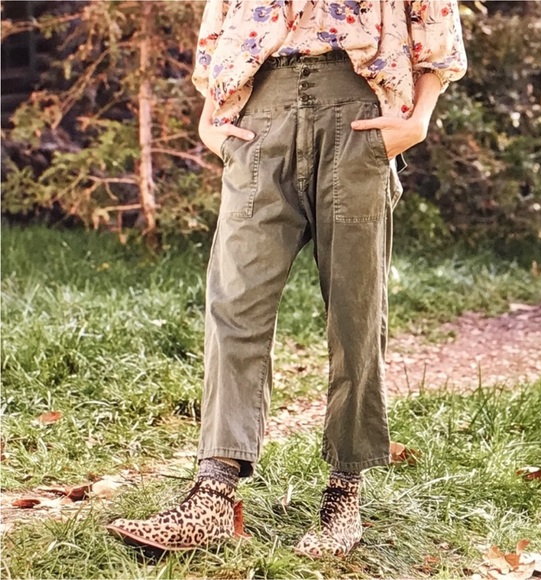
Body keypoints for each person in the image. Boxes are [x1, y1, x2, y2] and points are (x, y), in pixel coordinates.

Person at [107, 0, 467, 557]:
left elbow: (434, 13)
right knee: (234, 302)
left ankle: (345, 492)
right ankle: (213, 491)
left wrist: (418, 117)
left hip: (358, 110)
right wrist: (211, 114)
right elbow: (222, 15)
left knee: (354, 314)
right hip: (260, 114)